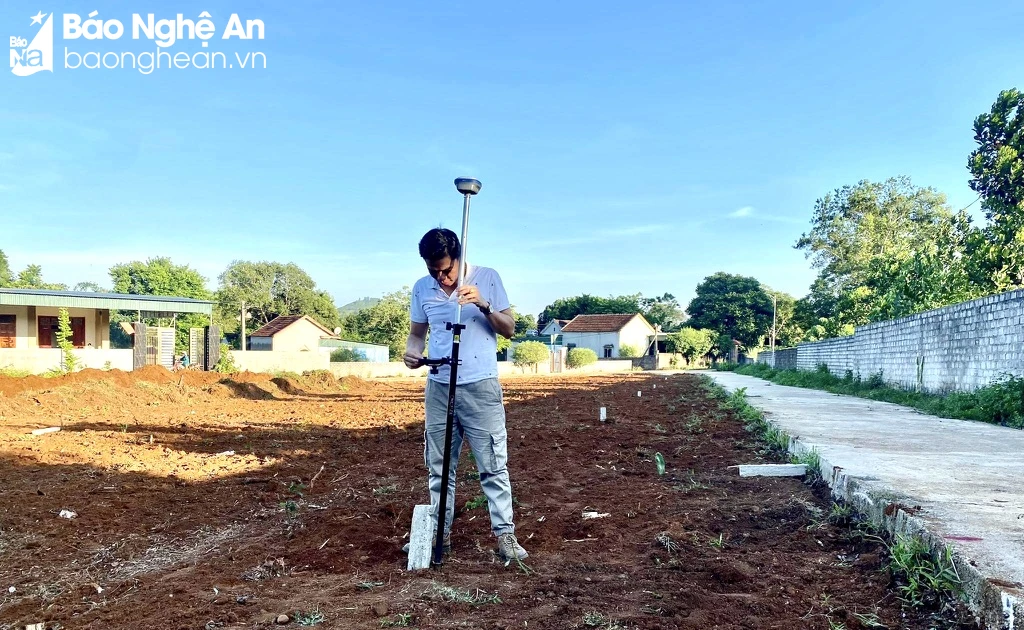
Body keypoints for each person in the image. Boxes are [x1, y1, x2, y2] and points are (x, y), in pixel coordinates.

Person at [403, 227, 528, 562]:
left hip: (480, 386)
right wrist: (412, 353)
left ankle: (506, 536)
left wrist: (483, 305)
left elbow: (510, 329)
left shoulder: (487, 278)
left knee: (492, 464)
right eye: (434, 271)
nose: (441, 277)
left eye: (446, 270)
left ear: (459, 257)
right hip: (439, 387)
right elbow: (417, 335)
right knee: (440, 466)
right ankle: (437, 535)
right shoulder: (421, 288)